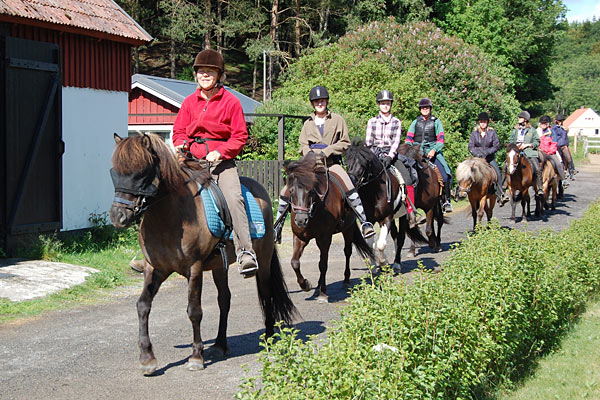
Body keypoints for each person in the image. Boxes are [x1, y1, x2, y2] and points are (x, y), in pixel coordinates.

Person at [171, 49, 258, 277]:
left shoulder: (231, 102)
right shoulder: (189, 102)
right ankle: (157, 251)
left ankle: (245, 253)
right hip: (190, 160)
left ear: (219, 75)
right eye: (201, 72)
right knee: (162, 188)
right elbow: (179, 131)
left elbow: (240, 136)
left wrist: (221, 151)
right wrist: (180, 143)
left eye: (210, 72)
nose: (204, 75)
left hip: (220, 164)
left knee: (234, 197)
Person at [274, 85, 375, 240]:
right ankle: (277, 227)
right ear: (312, 104)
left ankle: (364, 222)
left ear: (327, 102)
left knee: (349, 185)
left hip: (331, 163)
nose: (319, 104)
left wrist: (327, 151)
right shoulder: (307, 123)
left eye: (322, 101)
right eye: (316, 101)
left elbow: (345, 142)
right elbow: (302, 144)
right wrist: (310, 154)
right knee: (286, 190)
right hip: (310, 166)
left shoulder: (337, 119)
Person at [365, 90, 419, 228]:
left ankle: (412, 212)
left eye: (387, 103)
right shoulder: (371, 121)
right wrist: (374, 157)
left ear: (391, 105)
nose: (385, 106)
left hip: (391, 155)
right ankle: (362, 212)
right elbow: (368, 142)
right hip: (375, 155)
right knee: (361, 177)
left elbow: (396, 141)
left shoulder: (396, 122)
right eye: (383, 103)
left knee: (407, 177)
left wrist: (390, 156)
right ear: (378, 104)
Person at [405, 98, 454, 213]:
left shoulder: (436, 121)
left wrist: (434, 150)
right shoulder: (415, 122)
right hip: (417, 152)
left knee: (445, 173)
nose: (425, 109)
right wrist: (411, 149)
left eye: (427, 107)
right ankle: (407, 202)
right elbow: (408, 138)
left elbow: (441, 140)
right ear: (420, 109)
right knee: (406, 172)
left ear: (430, 109)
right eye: (423, 108)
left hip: (433, 151)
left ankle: (446, 200)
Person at [468, 112, 507, 202]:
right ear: (479, 122)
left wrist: (487, 152)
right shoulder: (474, 133)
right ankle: (460, 190)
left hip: (489, 159)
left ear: (487, 123)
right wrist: (478, 154)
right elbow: (470, 147)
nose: (483, 123)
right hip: (477, 159)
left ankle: (501, 194)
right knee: (466, 171)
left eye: (484, 122)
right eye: (481, 121)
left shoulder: (492, 133)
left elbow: (496, 146)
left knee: (497, 173)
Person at [507, 111, 544, 196]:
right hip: (516, 152)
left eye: (520, 117)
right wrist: (515, 146)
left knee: (537, 168)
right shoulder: (515, 130)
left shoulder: (532, 130)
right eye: (519, 117)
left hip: (529, 153)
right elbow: (511, 141)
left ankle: (539, 188)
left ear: (525, 119)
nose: (518, 119)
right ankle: (505, 185)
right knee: (506, 166)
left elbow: (537, 142)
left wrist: (528, 145)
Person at [537, 115, 567, 186]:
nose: (543, 125)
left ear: (548, 124)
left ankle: (563, 179)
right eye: (542, 123)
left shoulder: (552, 132)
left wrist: (549, 151)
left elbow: (554, 143)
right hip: (539, 151)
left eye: (544, 123)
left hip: (550, 152)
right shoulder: (537, 131)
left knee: (558, 163)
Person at [552, 113, 577, 180]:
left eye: (562, 121)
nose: (561, 122)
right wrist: (562, 129)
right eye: (560, 121)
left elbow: (564, 137)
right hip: (557, 145)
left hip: (563, 144)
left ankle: (571, 171)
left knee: (568, 157)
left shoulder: (562, 128)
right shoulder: (554, 127)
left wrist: (565, 130)